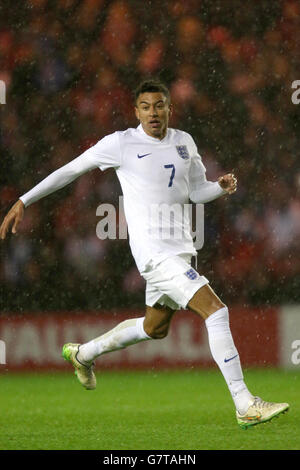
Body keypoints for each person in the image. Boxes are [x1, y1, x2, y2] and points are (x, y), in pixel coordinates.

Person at [0, 79, 289, 429]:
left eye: (160, 105)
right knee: (216, 312)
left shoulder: (184, 142)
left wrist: (219, 188)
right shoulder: (121, 144)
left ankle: (84, 354)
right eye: (147, 107)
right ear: (136, 111)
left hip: (182, 250)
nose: (154, 113)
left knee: (155, 327)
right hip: (154, 254)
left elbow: (195, 192)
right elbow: (71, 169)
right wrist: (24, 200)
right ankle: (245, 403)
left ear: (170, 108)